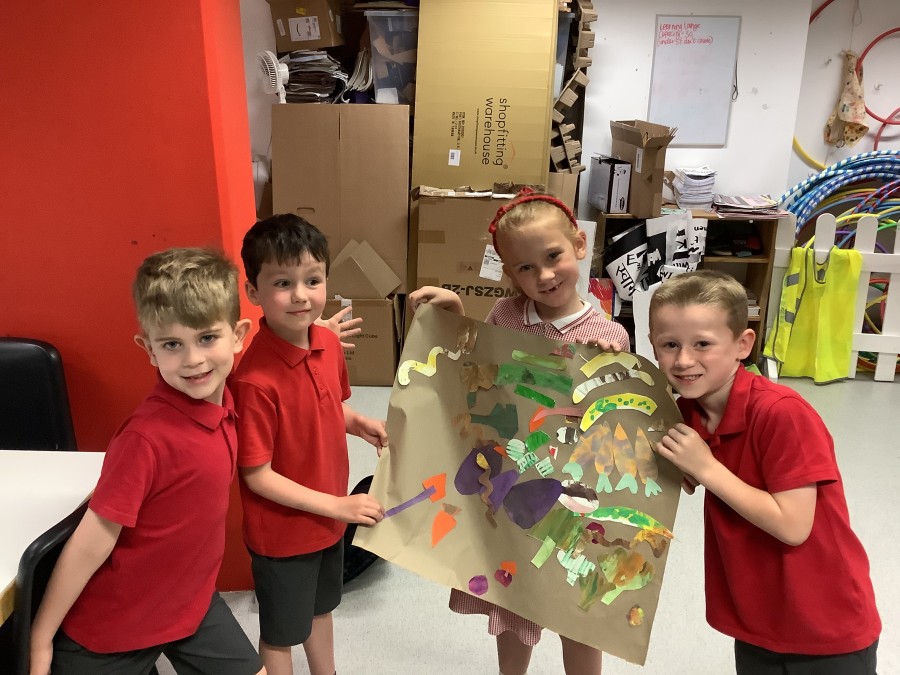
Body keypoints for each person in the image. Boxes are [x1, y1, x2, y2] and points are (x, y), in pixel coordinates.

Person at [409, 189, 628, 675]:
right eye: (526, 268)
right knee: (514, 598)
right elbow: (479, 376)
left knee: (577, 607)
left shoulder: (608, 335)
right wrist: (454, 313)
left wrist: (608, 373)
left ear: (579, 245)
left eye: (553, 257)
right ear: (509, 273)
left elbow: (613, 421)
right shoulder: (506, 317)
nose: (544, 276)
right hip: (513, 482)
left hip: (570, 490)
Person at [29, 248, 263, 675]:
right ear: (149, 349)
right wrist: (41, 638)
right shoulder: (145, 439)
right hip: (117, 625)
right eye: (172, 344)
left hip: (190, 602)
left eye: (206, 338)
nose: (193, 359)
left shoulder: (226, 402)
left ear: (238, 335)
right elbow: (92, 540)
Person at [649, 269, 880, 674]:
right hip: (757, 618)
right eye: (670, 344)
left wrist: (706, 467)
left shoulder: (782, 414)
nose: (683, 360)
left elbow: (793, 526)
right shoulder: (687, 410)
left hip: (825, 621)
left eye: (702, 343)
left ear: (743, 344)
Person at [232, 214, 387, 675]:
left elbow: (329, 406)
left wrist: (358, 422)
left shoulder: (327, 343)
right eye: (283, 283)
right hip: (284, 534)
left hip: (329, 517)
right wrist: (337, 506)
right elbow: (257, 476)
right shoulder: (254, 381)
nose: (301, 295)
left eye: (312, 280)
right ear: (254, 291)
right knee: (282, 630)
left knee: (321, 609)